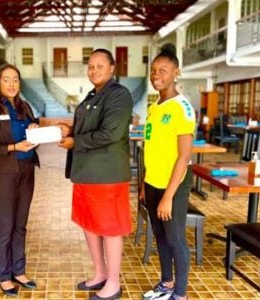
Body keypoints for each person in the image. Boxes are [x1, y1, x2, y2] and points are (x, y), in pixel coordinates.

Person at [59, 48, 133, 300]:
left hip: (107, 175)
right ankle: (100, 273)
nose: (94, 70)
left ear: (112, 68)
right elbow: (87, 127)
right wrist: (69, 129)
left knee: (110, 229)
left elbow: (110, 134)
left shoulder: (118, 95)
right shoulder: (93, 94)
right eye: (90, 66)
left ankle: (113, 283)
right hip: (85, 173)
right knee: (90, 225)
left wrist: (74, 142)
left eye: (100, 66)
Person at [0, 63, 39, 297]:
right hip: (2, 174)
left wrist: (34, 128)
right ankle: (3, 274)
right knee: (6, 225)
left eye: (15, 79)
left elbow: (34, 135)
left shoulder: (26, 107)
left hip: (27, 170)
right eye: (6, 79)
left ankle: (18, 271)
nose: (11, 84)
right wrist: (13, 146)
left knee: (20, 224)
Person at [140, 44, 195, 300]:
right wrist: (144, 182)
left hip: (173, 186)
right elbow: (151, 149)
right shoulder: (154, 107)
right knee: (160, 237)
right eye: (153, 70)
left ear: (176, 72)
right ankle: (167, 283)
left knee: (175, 240)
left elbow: (184, 156)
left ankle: (180, 294)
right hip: (152, 182)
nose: (156, 75)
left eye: (163, 70)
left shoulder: (182, 108)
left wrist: (168, 196)